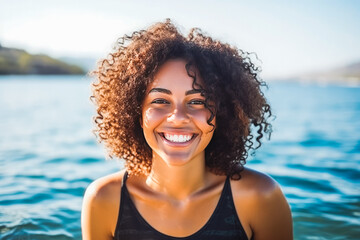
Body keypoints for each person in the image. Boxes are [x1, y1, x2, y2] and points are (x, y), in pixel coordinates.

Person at [81, 19, 293, 240]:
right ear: (135, 112)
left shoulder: (260, 197)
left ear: (223, 113)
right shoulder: (103, 200)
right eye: (161, 101)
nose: (178, 117)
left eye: (198, 102)